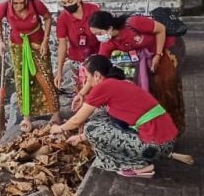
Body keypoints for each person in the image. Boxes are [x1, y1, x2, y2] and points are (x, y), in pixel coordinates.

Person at [51, 56, 191, 177]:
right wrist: (80, 138)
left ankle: (138, 167)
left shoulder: (104, 87)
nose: (88, 82)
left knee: (91, 128)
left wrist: (58, 128)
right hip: (165, 140)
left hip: (156, 145)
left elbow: (76, 121)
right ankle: (137, 157)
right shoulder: (119, 82)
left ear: (98, 76)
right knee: (101, 115)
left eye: (88, 77)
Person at [88, 11, 186, 137]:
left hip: (165, 48)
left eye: (99, 33)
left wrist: (158, 54)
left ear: (110, 28)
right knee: (147, 91)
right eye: (95, 35)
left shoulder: (133, 23)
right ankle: (159, 128)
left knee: (166, 86)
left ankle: (175, 128)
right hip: (146, 57)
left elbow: (161, 29)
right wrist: (83, 92)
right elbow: (99, 67)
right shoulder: (108, 43)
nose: (98, 37)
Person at [0, 0, 61, 128]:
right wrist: (0, 41)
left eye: (21, 3)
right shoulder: (4, 6)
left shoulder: (36, 4)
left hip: (37, 44)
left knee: (45, 76)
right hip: (18, 47)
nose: (18, 6)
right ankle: (27, 117)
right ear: (10, 0)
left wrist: (45, 41)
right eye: (15, 3)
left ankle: (55, 113)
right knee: (22, 80)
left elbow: (48, 18)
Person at [54, 0, 101, 97]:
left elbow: (102, 34)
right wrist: (59, 71)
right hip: (77, 60)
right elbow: (62, 45)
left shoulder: (93, 10)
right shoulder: (63, 18)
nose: (67, 5)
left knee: (98, 90)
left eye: (70, 1)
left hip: (97, 58)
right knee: (81, 92)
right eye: (64, 3)